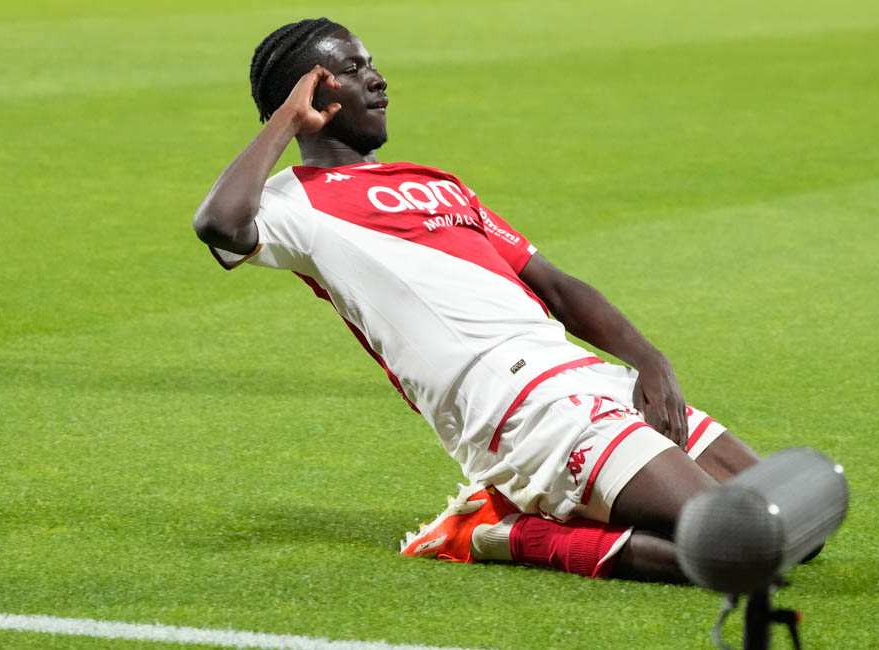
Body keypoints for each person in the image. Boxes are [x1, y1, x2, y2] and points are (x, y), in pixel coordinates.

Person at [193, 18, 762, 582]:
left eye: (371, 63)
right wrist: (287, 118)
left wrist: (650, 361)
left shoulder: (436, 183)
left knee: (780, 519)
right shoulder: (293, 205)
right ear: (312, 94)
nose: (378, 79)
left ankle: (519, 513)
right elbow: (219, 223)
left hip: (589, 376)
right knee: (740, 543)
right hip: (516, 409)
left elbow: (556, 286)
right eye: (352, 69)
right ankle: (499, 532)